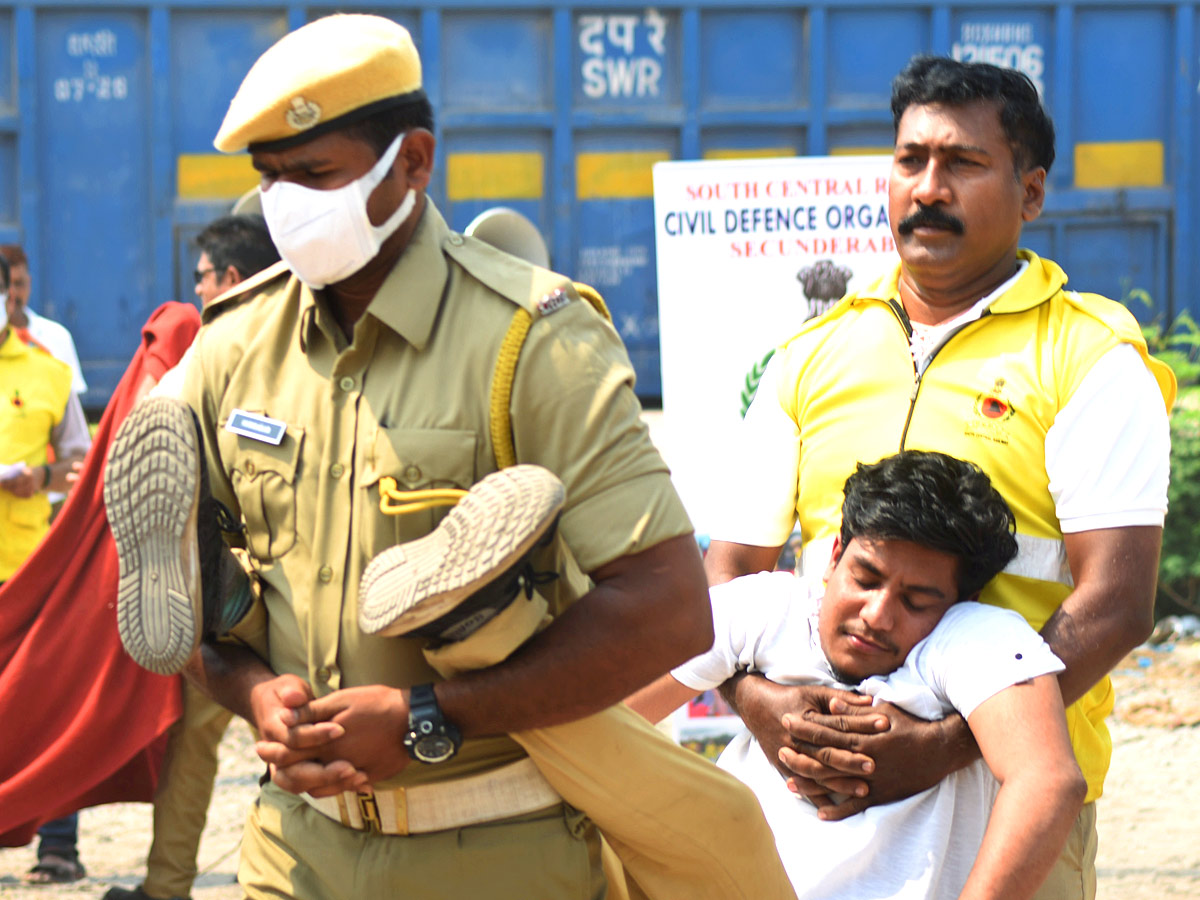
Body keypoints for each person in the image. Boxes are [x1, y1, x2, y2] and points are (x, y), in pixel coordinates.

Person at [103, 15, 796, 900]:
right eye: (270, 177)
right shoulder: (233, 345)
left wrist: (427, 718)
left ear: (414, 162)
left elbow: (668, 612)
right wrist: (255, 696)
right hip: (292, 848)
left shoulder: (533, 341)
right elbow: (179, 601)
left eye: (316, 173)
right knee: (211, 581)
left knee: (487, 624)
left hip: (498, 852)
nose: (286, 203)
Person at [703, 55, 1175, 900]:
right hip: (807, 812)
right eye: (911, 160)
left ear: (1031, 193)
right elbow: (731, 571)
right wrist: (757, 702)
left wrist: (946, 744)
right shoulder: (811, 356)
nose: (928, 188)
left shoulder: (1089, 358)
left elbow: (1117, 601)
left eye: (963, 163)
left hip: (1008, 808)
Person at [630, 451, 1086, 900]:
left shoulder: (974, 639)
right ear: (834, 556)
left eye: (916, 601)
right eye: (866, 579)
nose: (877, 615)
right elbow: (608, 713)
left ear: (964, 602)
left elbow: (1047, 781)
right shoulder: (766, 612)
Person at [102, 213, 280, 900]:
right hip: (304, 583)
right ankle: (290, 867)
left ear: (230, 278)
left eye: (203, 277)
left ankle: (168, 885)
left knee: (201, 744)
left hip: (228, 590)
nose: (197, 289)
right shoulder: (309, 343)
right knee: (302, 729)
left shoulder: (210, 350)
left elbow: (151, 428)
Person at [0, 251, 92, 884]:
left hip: (25, 570)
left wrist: (41, 476)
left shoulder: (49, 370)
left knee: (44, 701)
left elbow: (77, 465)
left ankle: (59, 843)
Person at [0, 244, 87, 396]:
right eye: (4, 288)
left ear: (29, 283)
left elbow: (72, 399)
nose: (12, 293)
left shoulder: (57, 337)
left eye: (18, 283)